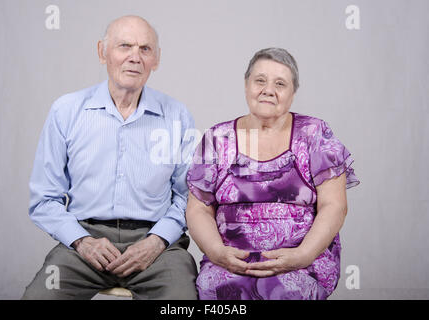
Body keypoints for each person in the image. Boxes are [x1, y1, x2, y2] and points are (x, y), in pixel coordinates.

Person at [22, 15, 198, 300]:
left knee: (181, 303)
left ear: (157, 59)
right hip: (83, 242)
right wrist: (81, 241)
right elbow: (44, 198)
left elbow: (189, 197)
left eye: (145, 49)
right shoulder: (65, 111)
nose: (135, 57)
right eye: (124, 46)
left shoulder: (177, 114)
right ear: (102, 52)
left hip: (157, 245)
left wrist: (157, 241)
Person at [186, 47, 360, 300]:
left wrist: (302, 255)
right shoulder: (216, 138)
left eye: (280, 83)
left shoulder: (314, 134)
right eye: (260, 81)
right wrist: (217, 252)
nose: (268, 90)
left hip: (301, 262)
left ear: (293, 93)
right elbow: (198, 208)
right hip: (229, 261)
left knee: (286, 293)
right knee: (216, 291)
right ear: (246, 86)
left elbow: (335, 206)